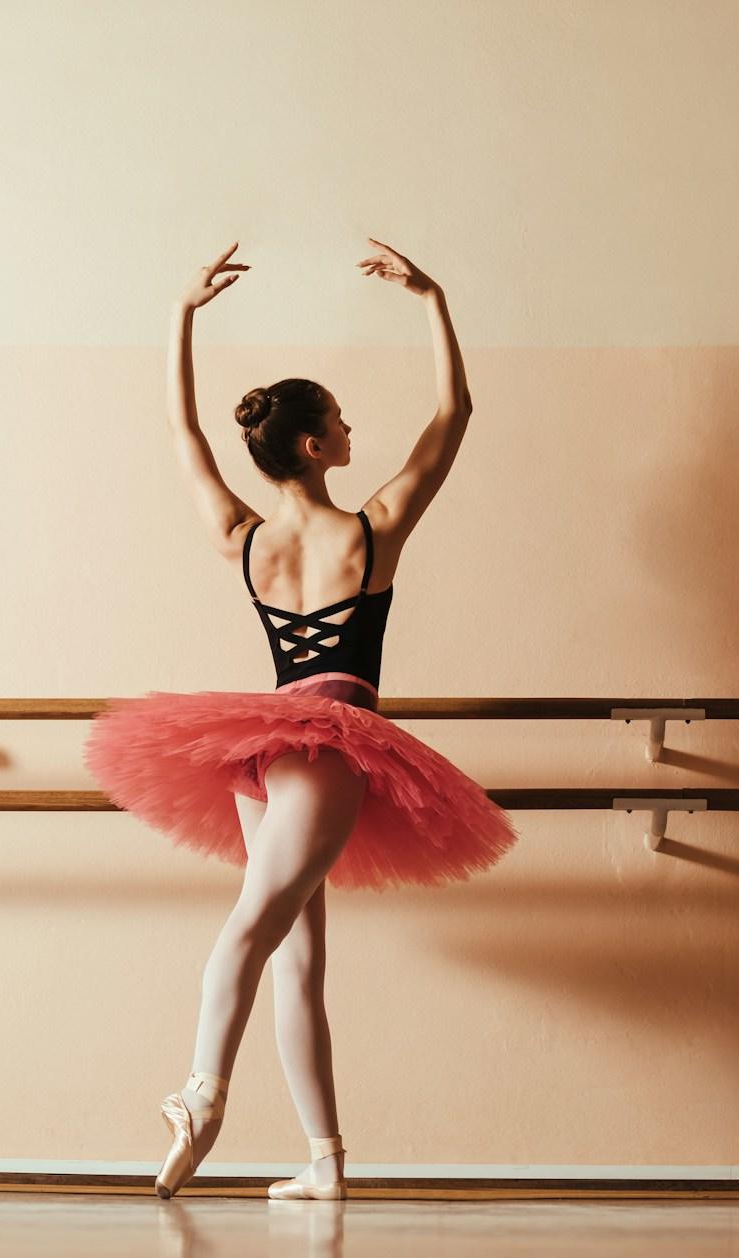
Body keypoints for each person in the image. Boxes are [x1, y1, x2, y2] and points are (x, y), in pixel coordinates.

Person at [81, 239, 519, 1201]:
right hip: (330, 742)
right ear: (316, 447)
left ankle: (323, 1164)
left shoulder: (244, 540)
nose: (353, 426)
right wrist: (434, 298)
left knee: (297, 958)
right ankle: (200, 1096)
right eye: (340, 419)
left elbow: (182, 433)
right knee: (257, 929)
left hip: (264, 745)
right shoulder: (372, 530)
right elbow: (455, 416)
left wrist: (182, 314)